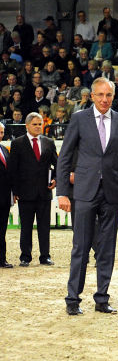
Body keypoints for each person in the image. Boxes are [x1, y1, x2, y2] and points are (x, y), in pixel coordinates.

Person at [57, 77, 118, 315]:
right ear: (92, 96)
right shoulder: (79, 119)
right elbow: (65, 157)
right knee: (80, 246)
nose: (104, 99)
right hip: (83, 192)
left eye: (108, 95)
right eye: (100, 95)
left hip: (111, 193)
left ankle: (102, 299)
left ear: (114, 96)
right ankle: (73, 299)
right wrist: (62, 193)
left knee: (107, 248)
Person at [10, 112, 57, 267]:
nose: (38, 127)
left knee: (44, 227)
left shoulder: (49, 142)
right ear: (27, 125)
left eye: (40, 124)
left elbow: (58, 165)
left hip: (44, 192)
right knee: (26, 227)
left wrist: (55, 179)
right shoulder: (17, 143)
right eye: (35, 124)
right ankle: (25, 256)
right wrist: (15, 191)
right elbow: (13, 169)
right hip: (25, 193)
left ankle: (45, 256)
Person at [0, 124, 11, 268]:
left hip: (3, 197)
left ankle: (1, 258)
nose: (1, 135)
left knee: (2, 229)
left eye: (2, 132)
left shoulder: (4, 149)